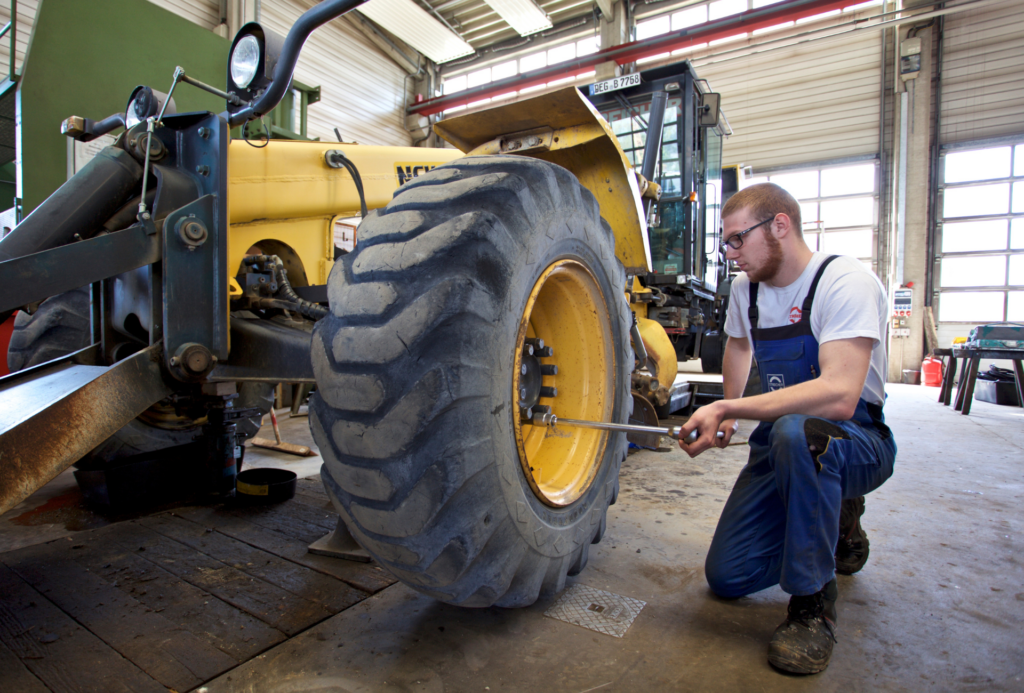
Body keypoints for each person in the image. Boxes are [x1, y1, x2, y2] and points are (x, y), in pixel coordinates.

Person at [678, 182, 896, 675]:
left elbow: (841, 393)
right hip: (779, 443)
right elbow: (738, 346)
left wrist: (736, 406)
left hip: (853, 441)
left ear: (780, 225)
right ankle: (824, 512)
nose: (730, 254)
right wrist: (729, 412)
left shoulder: (844, 282)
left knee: (798, 433)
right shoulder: (744, 289)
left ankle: (813, 606)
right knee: (728, 577)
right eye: (725, 243)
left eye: (738, 240)